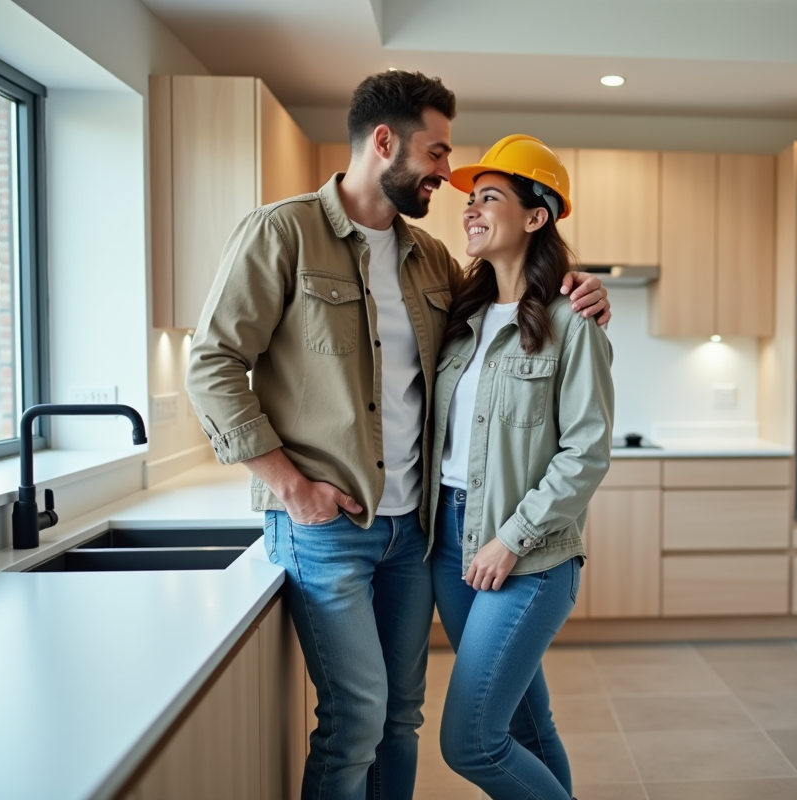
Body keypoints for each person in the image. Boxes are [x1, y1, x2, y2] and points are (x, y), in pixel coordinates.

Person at [185, 73, 610, 800]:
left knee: (401, 720)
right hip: (331, 527)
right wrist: (290, 486)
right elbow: (211, 365)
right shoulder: (283, 232)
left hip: (414, 537)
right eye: (439, 154)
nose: (451, 178)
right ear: (385, 143)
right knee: (356, 719)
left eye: (473, 182)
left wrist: (578, 288)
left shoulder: (432, 263)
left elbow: (518, 314)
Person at [428, 135, 614, 800]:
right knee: (528, 732)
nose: (470, 210)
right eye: (469, 201)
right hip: (448, 542)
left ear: (536, 217)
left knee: (470, 741)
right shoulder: (459, 313)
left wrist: (512, 539)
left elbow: (586, 452)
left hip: (528, 555)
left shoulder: (574, 320)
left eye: (489, 198)